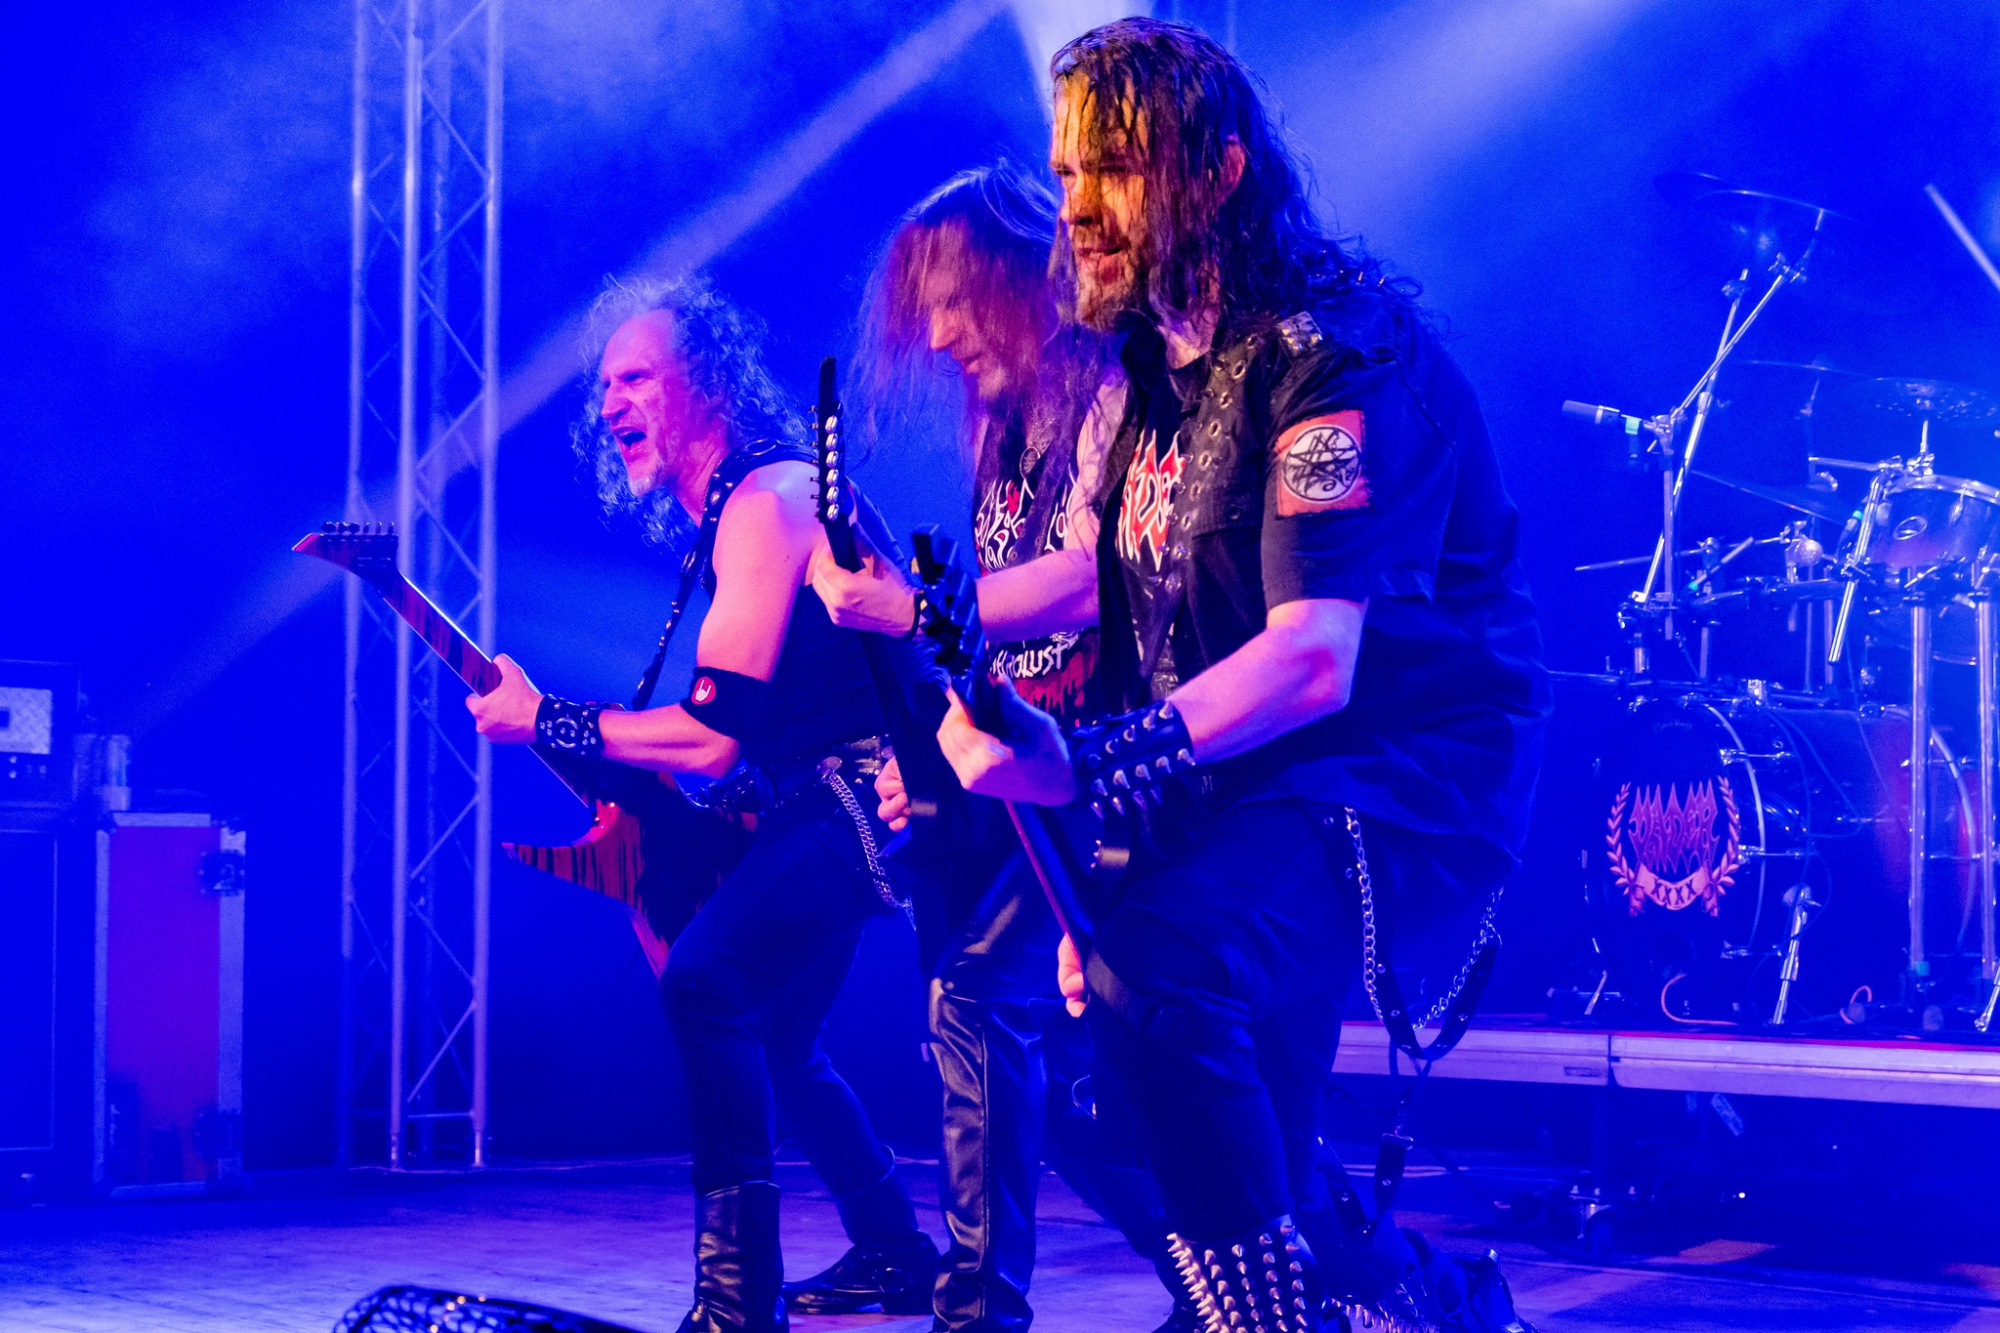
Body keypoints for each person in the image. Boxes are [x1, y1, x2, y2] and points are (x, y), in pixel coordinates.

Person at [931, 19, 1549, 1332]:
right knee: (1120, 1085)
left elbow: (1312, 661)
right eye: (1066, 172)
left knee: (1160, 981)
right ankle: (1432, 1301)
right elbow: (1144, 624)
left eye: (1114, 168)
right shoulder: (1152, 377)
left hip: (1394, 782)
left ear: (1215, 173)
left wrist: (1082, 763)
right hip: (1242, 794)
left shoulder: (1336, 357)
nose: (1075, 208)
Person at [467, 278, 941, 1333]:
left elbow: (710, 733)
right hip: (823, 795)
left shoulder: (766, 500)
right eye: (604, 386)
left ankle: (734, 1307)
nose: (610, 404)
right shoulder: (743, 504)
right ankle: (895, 1251)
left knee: (706, 980)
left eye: (635, 378)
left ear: (707, 384)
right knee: (776, 1032)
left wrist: (548, 719)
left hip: (868, 796)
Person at [806, 164, 1201, 1333]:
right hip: (1046, 773)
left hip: (1137, 770)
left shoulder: (1115, 383)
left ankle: (979, 1312)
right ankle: (1225, 1286)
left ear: (1019, 274)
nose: (934, 336)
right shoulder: (998, 421)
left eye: (951, 300)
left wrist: (916, 605)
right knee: (1071, 1079)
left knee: (985, 999)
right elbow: (998, 645)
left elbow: (1091, 579)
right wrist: (932, 750)